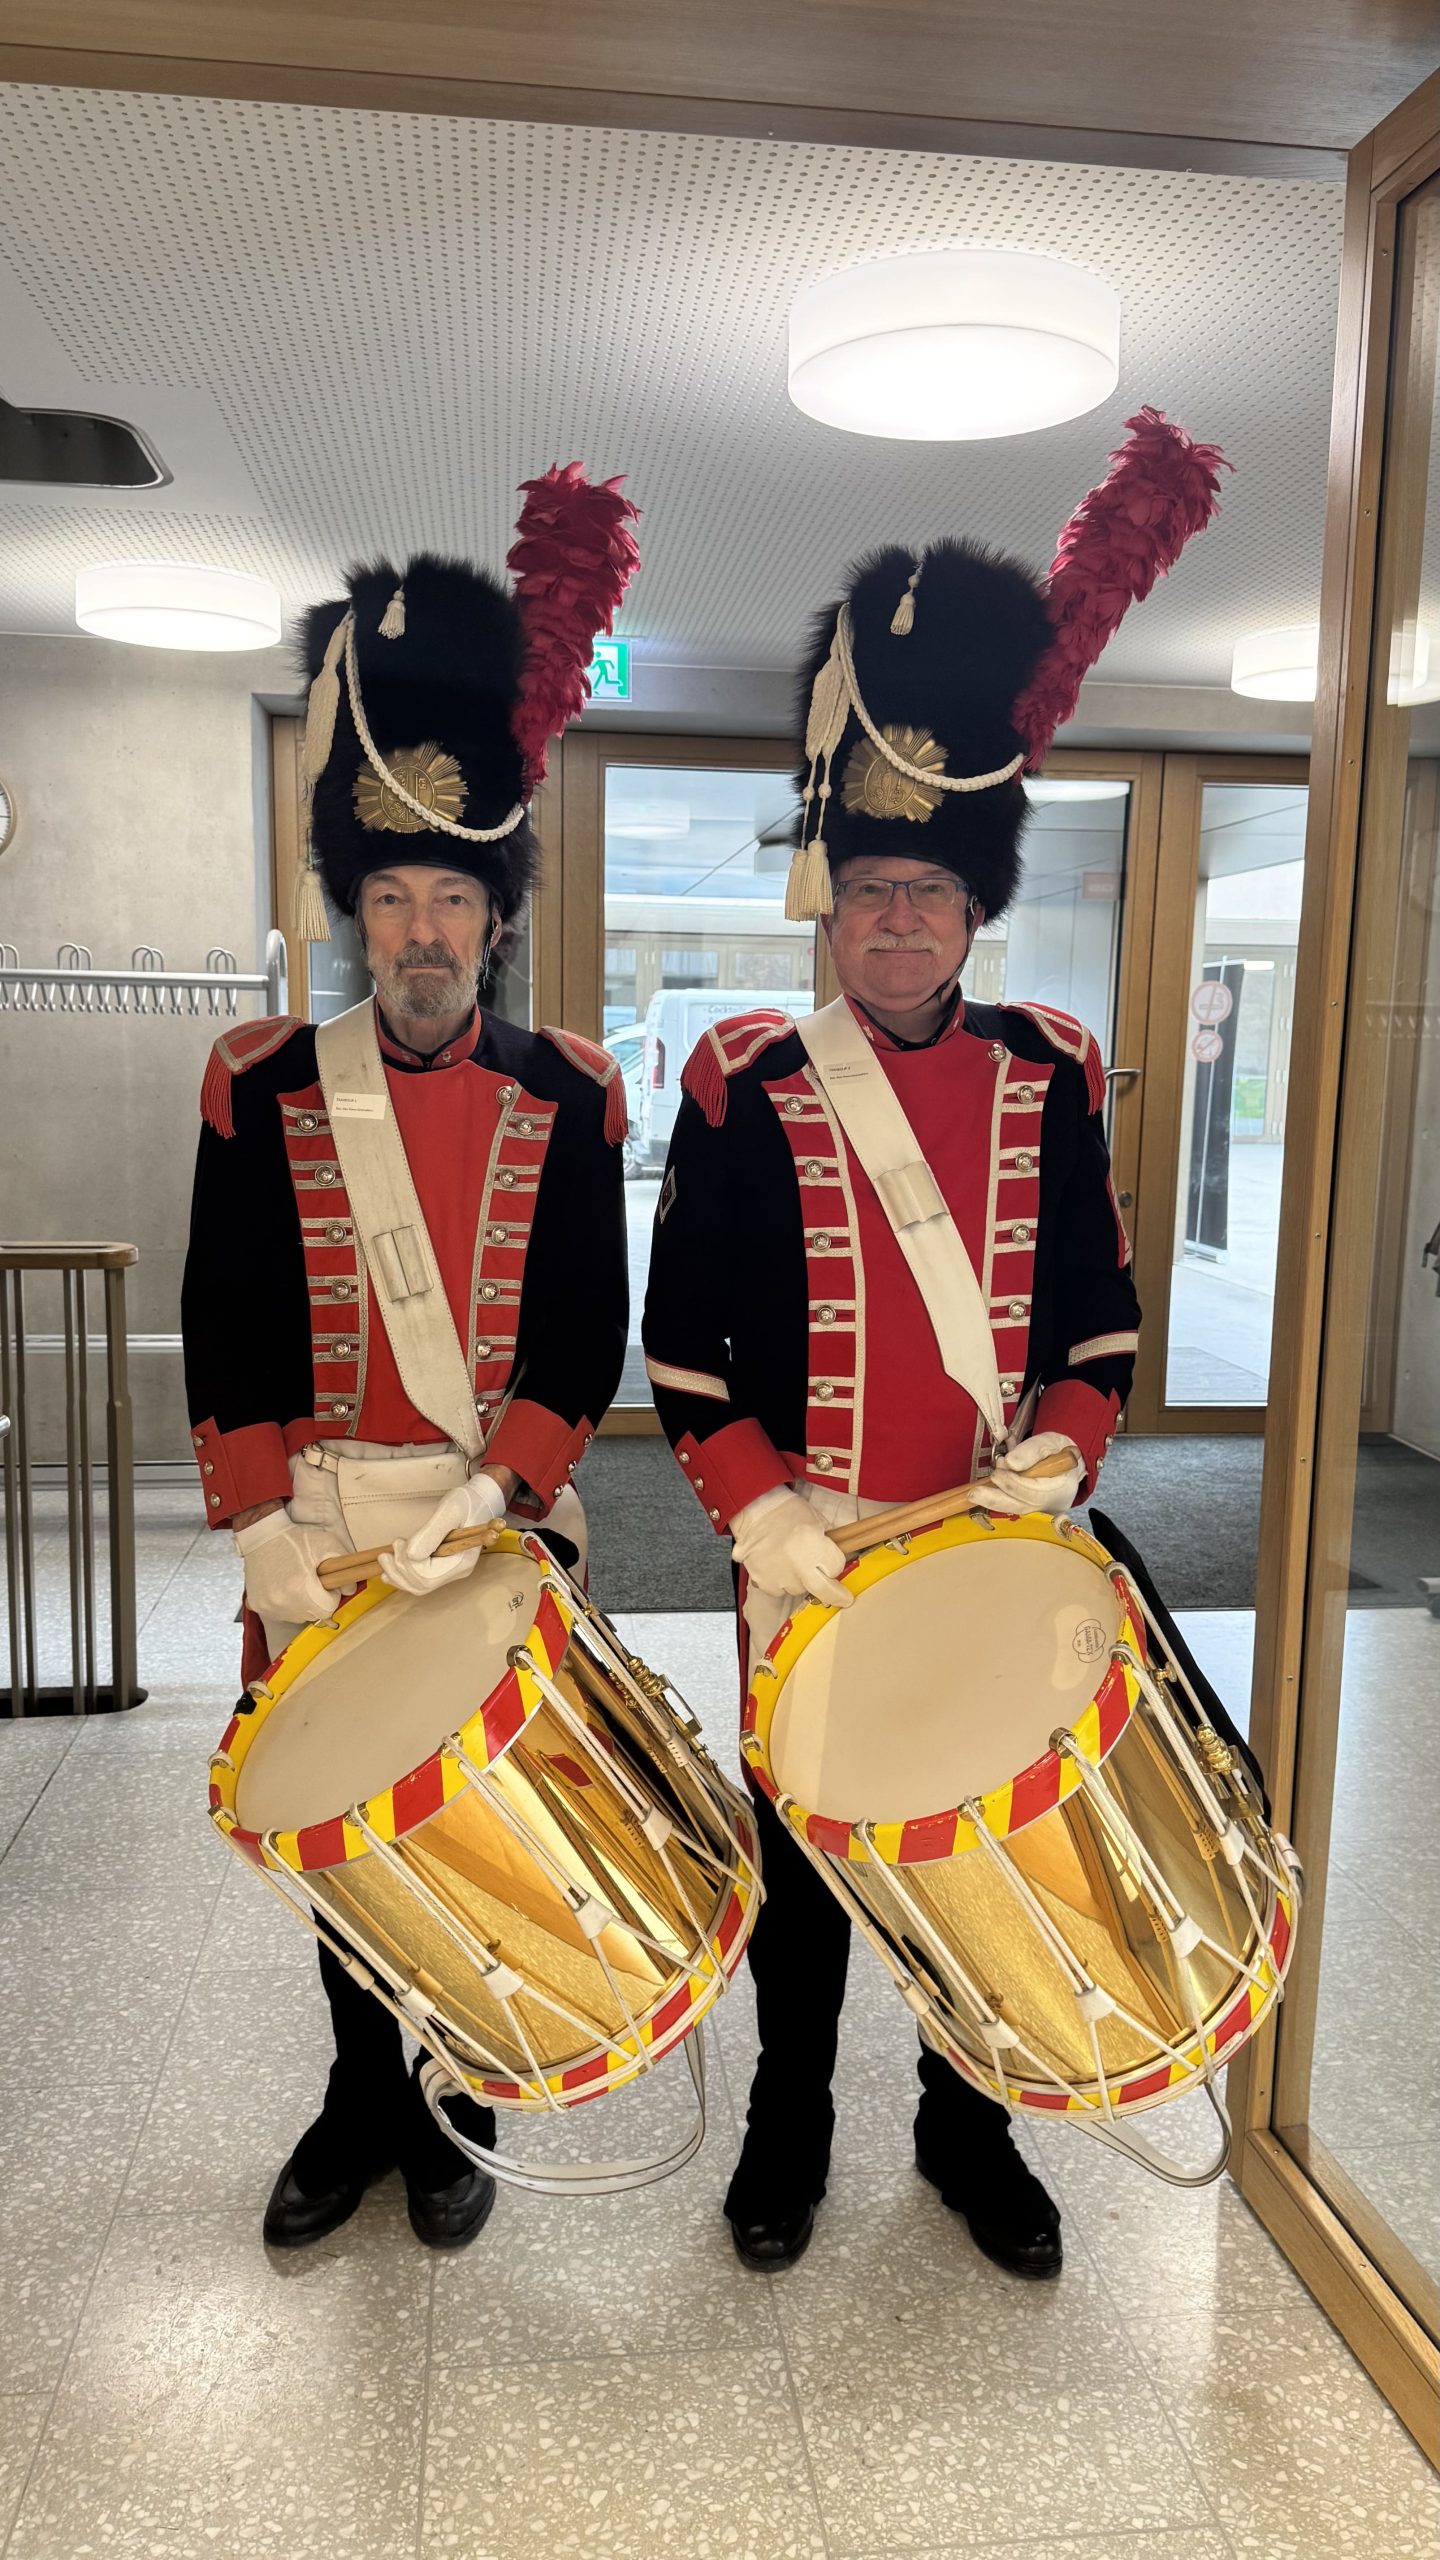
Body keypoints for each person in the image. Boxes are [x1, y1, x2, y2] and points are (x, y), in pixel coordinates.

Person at [642, 414, 1225, 2278]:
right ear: (833, 902)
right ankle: (793, 2118)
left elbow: (1099, 1318)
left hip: (992, 1536)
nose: (897, 923)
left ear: (976, 908)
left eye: (931, 896)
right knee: (810, 1850)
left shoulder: (1050, 1072)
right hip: (808, 1547)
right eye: (872, 892)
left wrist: (1062, 1449)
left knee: (984, 1837)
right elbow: (681, 1348)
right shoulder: (743, 1081)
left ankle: (968, 2130)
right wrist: (762, 1516)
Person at [182, 473, 639, 2252]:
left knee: (466, 1820)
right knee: (338, 1825)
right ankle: (355, 2093)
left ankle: (451, 2091)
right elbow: (226, 1318)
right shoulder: (261, 1087)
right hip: (320, 1528)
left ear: (496, 915)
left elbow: (586, 1328)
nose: (425, 933)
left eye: (454, 896)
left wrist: (506, 1486)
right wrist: (256, 1528)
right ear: (356, 913)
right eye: (393, 897)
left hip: (486, 1521)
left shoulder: (571, 1095)